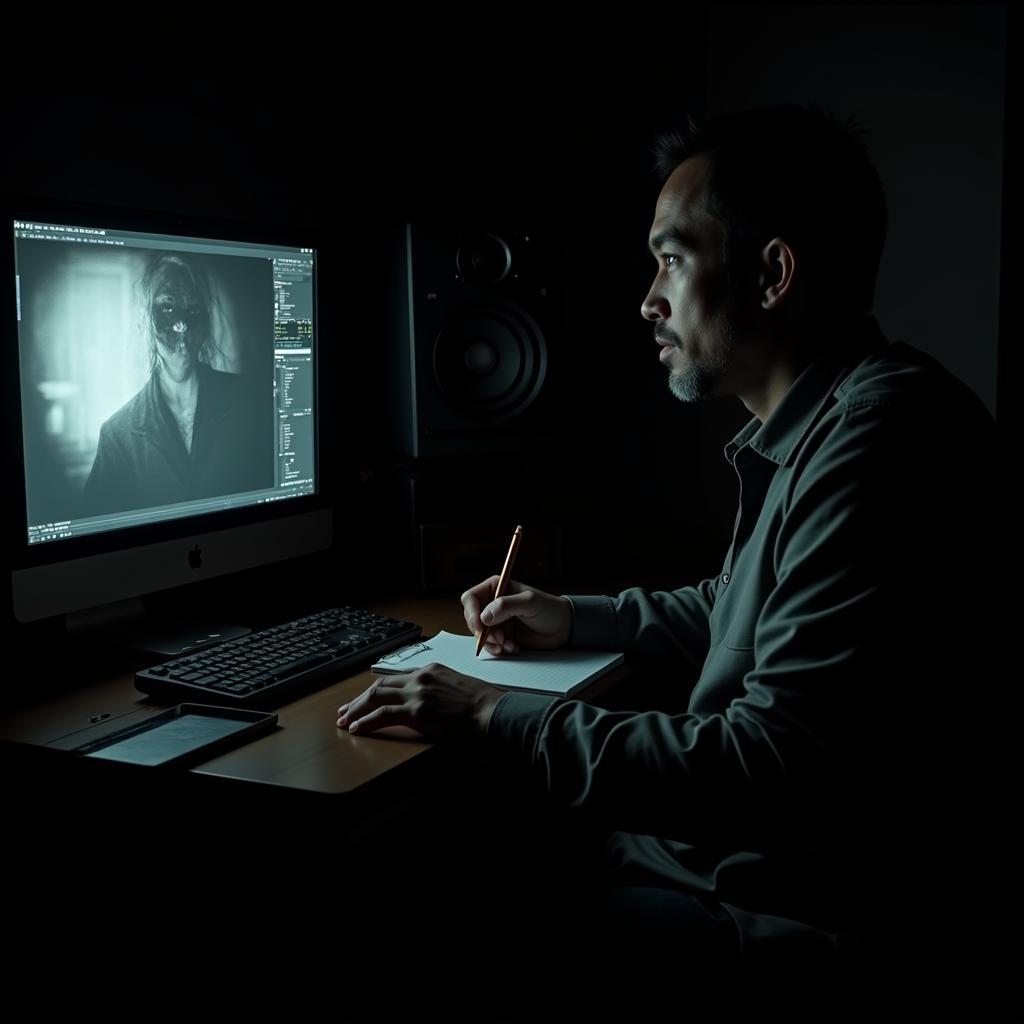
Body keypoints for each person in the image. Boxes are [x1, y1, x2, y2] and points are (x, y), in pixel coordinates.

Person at [336, 106, 1010, 1010]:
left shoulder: (875, 445)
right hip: (732, 868)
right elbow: (745, 608)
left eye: (672, 258)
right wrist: (575, 616)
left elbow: (768, 767)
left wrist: (494, 713)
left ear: (771, 274)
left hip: (791, 916)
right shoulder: (827, 423)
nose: (647, 299)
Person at [81, 251, 270, 515]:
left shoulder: (246, 403)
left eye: (192, 309)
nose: (181, 325)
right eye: (167, 308)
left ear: (204, 318)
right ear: (146, 320)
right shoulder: (118, 436)